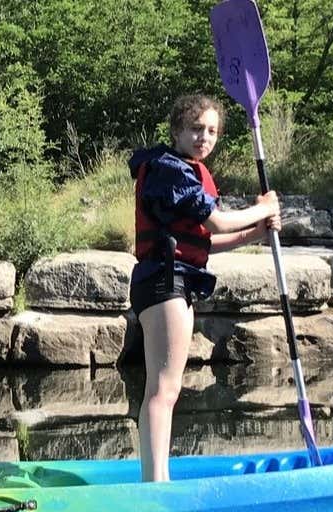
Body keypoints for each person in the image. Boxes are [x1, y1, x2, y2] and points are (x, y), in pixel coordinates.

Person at [128, 94, 281, 483]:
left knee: (164, 389)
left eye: (211, 131)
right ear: (177, 131)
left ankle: (156, 478)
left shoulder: (179, 171)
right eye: (196, 129)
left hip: (169, 279)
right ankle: (156, 485)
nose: (204, 138)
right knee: (164, 390)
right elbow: (215, 222)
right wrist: (264, 208)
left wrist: (256, 233)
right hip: (165, 282)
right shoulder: (170, 171)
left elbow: (204, 241)